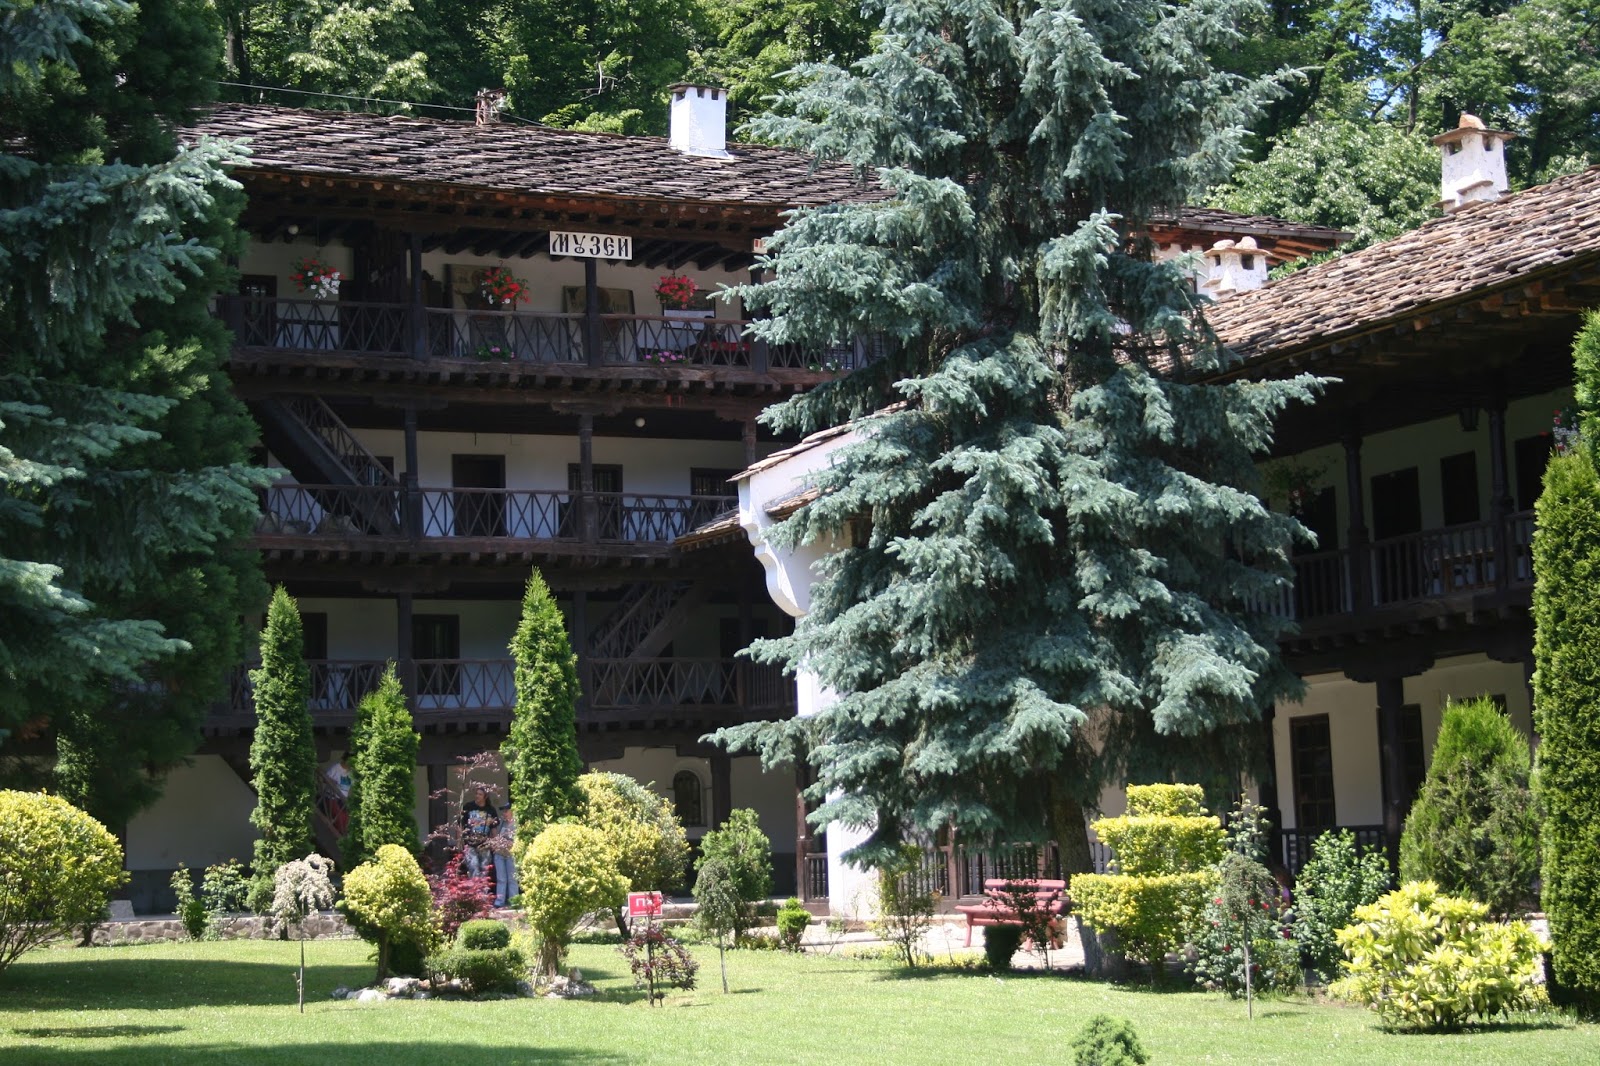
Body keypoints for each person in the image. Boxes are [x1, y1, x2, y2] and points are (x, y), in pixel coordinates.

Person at [459, 785, 498, 879]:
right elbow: (460, 825)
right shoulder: (468, 807)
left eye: (480, 794)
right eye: (476, 794)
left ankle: (483, 888)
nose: (477, 796)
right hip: (470, 843)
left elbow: (493, 828)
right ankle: (475, 888)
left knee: (485, 869)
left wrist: (495, 844)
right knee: (473, 867)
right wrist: (459, 841)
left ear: (485, 796)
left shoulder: (491, 810)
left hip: (485, 844)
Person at [491, 803, 520, 908]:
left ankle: (514, 901)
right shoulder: (502, 823)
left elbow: (518, 841)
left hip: (511, 854)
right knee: (501, 879)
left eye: (506, 811)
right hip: (499, 854)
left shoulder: (517, 825)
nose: (504, 813)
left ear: (512, 811)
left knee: (512, 879)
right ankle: (500, 901)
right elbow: (496, 836)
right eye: (503, 811)